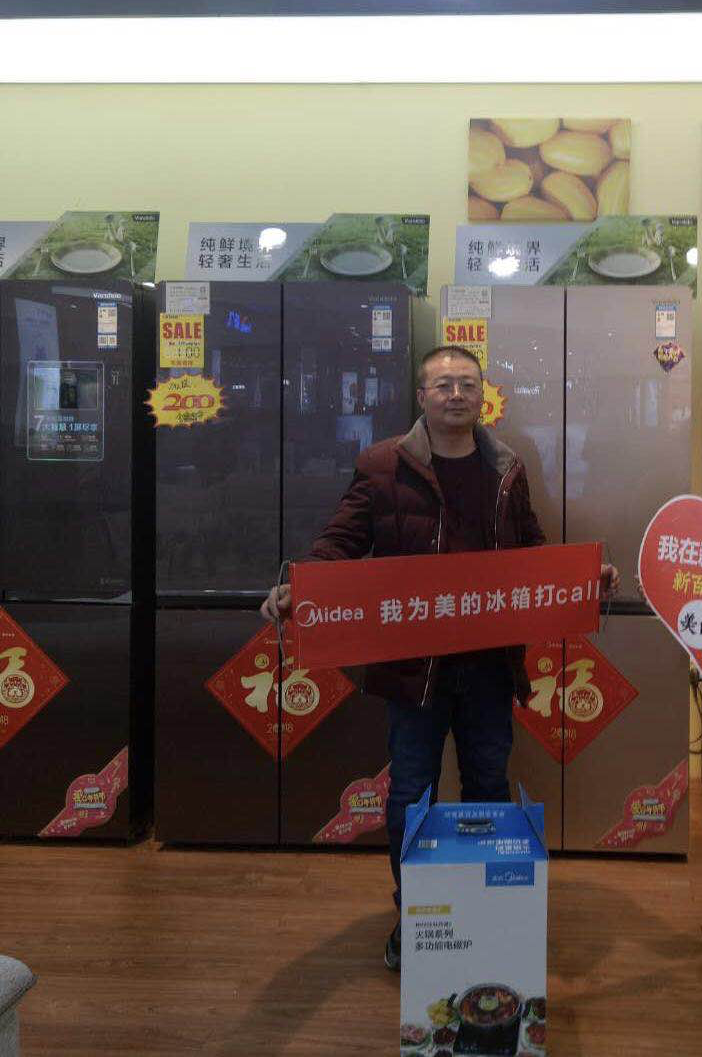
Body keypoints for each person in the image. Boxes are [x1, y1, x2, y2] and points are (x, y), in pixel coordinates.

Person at [262, 344, 619, 971]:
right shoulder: (382, 465)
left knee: (487, 788)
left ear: (483, 395)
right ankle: (415, 917)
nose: (456, 394)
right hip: (413, 668)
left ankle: (481, 913)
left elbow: (531, 550)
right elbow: (340, 542)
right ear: (422, 397)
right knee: (412, 795)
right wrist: (301, 586)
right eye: (444, 384)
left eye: (467, 384)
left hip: (489, 664)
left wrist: (583, 581)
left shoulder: (507, 466)